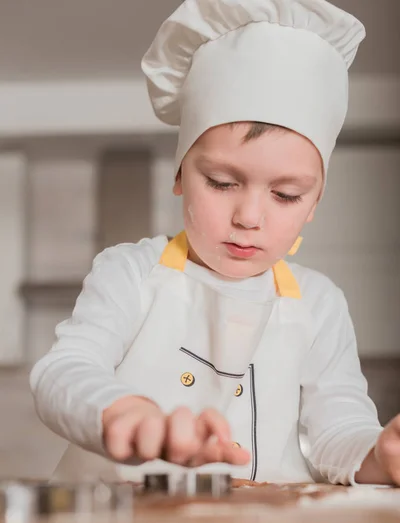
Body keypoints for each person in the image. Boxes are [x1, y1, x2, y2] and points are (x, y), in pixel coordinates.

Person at [30, 0, 400, 486]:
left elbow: (339, 431)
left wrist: (379, 454)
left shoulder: (320, 304)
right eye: (223, 182)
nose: (249, 217)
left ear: (314, 203)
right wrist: (120, 411)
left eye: (286, 195)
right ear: (181, 173)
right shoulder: (131, 272)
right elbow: (63, 370)